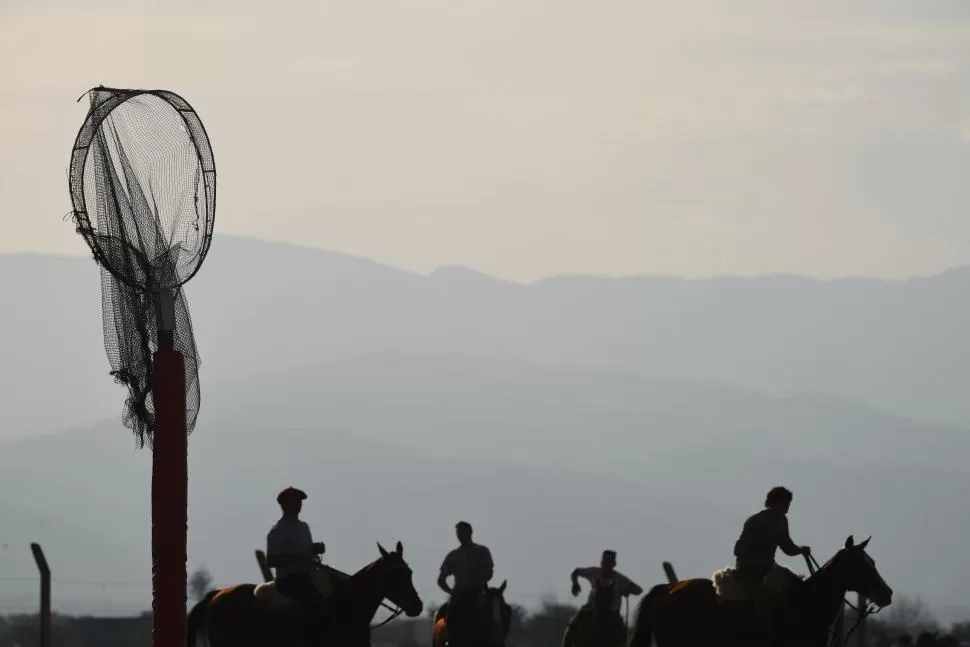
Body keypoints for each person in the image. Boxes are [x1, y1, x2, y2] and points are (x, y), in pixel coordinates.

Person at [733, 486, 811, 620]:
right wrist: (758, 562)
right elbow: (739, 550)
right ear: (775, 502)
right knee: (762, 598)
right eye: (785, 504)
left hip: (768, 568)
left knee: (795, 586)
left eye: (788, 504)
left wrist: (800, 550)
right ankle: (760, 630)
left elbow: (787, 547)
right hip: (749, 569)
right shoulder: (756, 521)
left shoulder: (781, 521)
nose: (787, 508)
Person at [266, 487, 327, 644]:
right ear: (284, 505)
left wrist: (314, 549)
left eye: (300, 501)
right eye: (295, 501)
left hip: (307, 577)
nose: (299, 504)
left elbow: (306, 552)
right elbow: (271, 561)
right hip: (288, 581)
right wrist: (298, 559)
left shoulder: (304, 527)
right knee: (313, 602)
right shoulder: (277, 531)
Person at [566, 550, 643, 646]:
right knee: (573, 626)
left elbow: (638, 590)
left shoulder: (620, 579)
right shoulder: (594, 572)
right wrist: (575, 583)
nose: (606, 565)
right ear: (601, 562)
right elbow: (575, 571)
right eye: (604, 562)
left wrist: (626, 590)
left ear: (614, 564)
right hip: (591, 608)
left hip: (612, 612)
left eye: (609, 563)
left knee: (621, 632)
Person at [437, 521, 496, 644]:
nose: (460, 536)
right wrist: (451, 592)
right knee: (450, 613)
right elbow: (441, 580)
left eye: (462, 532)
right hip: (459, 594)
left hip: (477, 592)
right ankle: (450, 641)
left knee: (495, 612)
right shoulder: (453, 556)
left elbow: (489, 572)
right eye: (458, 533)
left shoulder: (482, 551)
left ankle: (497, 641)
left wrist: (481, 580)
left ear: (470, 532)